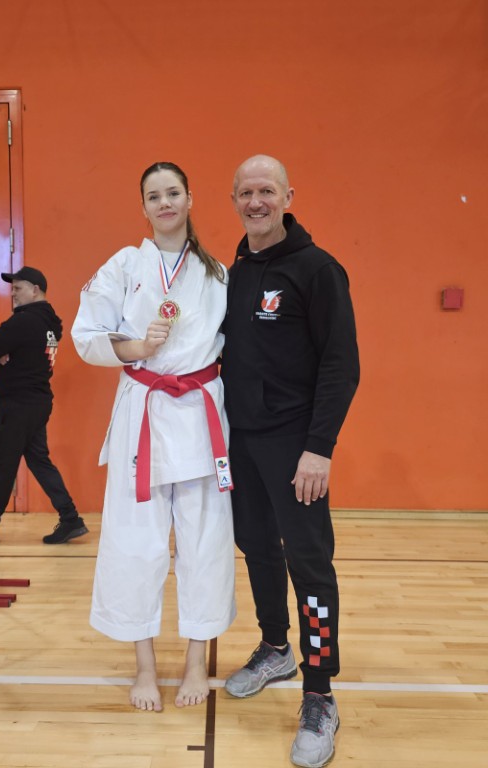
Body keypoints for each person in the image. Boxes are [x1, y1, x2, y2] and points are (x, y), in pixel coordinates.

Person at [71, 162, 236, 713]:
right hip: (142, 410)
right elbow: (86, 335)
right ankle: (143, 665)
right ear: (142, 207)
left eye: (173, 193)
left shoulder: (217, 274)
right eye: (153, 196)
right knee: (134, 540)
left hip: (200, 415)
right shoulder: (124, 265)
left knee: (204, 541)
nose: (164, 203)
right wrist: (138, 348)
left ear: (190, 199)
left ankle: (195, 661)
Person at [220, 155, 360, 768]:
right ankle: (276, 647)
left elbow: (342, 366)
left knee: (310, 564)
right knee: (256, 545)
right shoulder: (234, 273)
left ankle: (320, 691)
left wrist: (319, 448)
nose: (256, 202)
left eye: (267, 191)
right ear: (234, 200)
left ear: (287, 196)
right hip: (242, 443)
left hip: (297, 447)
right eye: (246, 193)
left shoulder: (318, 270)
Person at [0, 266, 88, 545]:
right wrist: (6, 352)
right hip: (38, 401)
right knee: (39, 460)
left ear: (35, 289)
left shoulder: (22, 322)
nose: (12, 294)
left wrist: (2, 353)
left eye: (18, 288)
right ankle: (70, 518)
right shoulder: (51, 323)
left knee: (4, 465)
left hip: (16, 404)